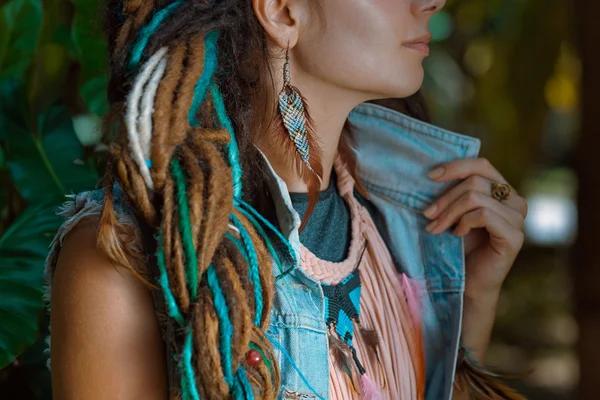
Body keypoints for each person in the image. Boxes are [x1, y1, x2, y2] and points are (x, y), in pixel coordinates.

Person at [44, 0, 529, 399]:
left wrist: (473, 298)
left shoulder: (407, 223)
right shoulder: (124, 256)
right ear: (281, 11)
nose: (432, 3)